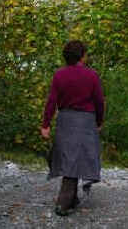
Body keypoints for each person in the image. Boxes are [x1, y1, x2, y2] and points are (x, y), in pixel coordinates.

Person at [40, 40, 105, 216]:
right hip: (85, 122)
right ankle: (63, 203)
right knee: (78, 158)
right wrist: (99, 121)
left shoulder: (59, 75)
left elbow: (51, 101)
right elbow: (99, 101)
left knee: (69, 157)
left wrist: (46, 124)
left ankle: (72, 198)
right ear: (82, 55)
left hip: (65, 120)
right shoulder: (91, 75)